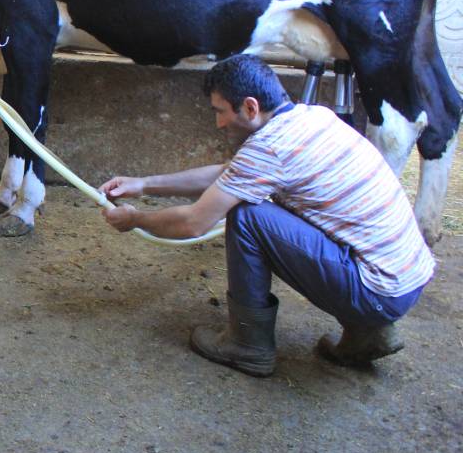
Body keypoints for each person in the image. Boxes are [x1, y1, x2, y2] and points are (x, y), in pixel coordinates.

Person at [98, 54, 434, 377]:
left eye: (220, 111)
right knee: (258, 203)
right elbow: (231, 173)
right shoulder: (312, 117)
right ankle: (370, 333)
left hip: (377, 292)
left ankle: (248, 345)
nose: (218, 123)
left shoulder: (269, 148)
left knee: (247, 215)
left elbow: (194, 222)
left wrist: (136, 220)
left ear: (250, 107)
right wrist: (144, 184)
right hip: (403, 280)